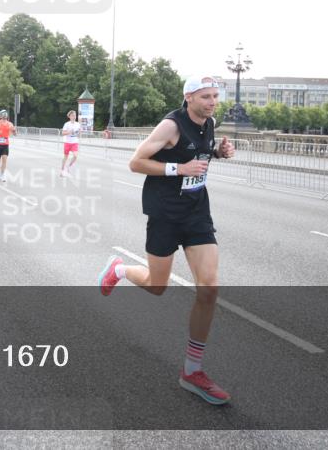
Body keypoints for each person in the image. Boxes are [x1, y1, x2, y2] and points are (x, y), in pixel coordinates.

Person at [96, 76, 236, 405]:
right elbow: (136, 162)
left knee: (209, 288)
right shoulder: (170, 126)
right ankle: (120, 270)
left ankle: (192, 371)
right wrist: (179, 168)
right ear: (188, 97)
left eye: (215, 95)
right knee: (158, 286)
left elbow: (199, 154)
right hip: (165, 215)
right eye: (205, 96)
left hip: (196, 212)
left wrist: (218, 151)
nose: (212, 101)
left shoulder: (209, 123)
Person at [0, 109, 17, 182]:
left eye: (5, 114)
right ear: (0, 115)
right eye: (3, 114)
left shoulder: (10, 124)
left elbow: (15, 134)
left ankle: (2, 175)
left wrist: (14, 131)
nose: (4, 115)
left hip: (5, 144)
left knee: (4, 160)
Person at [60, 110, 81, 177]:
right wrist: (69, 132)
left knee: (75, 156)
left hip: (74, 142)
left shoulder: (78, 124)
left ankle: (68, 167)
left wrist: (79, 132)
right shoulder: (67, 124)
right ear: (69, 116)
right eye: (72, 115)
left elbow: (79, 133)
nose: (74, 117)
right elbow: (62, 133)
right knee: (65, 157)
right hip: (67, 142)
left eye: (75, 115)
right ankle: (62, 170)